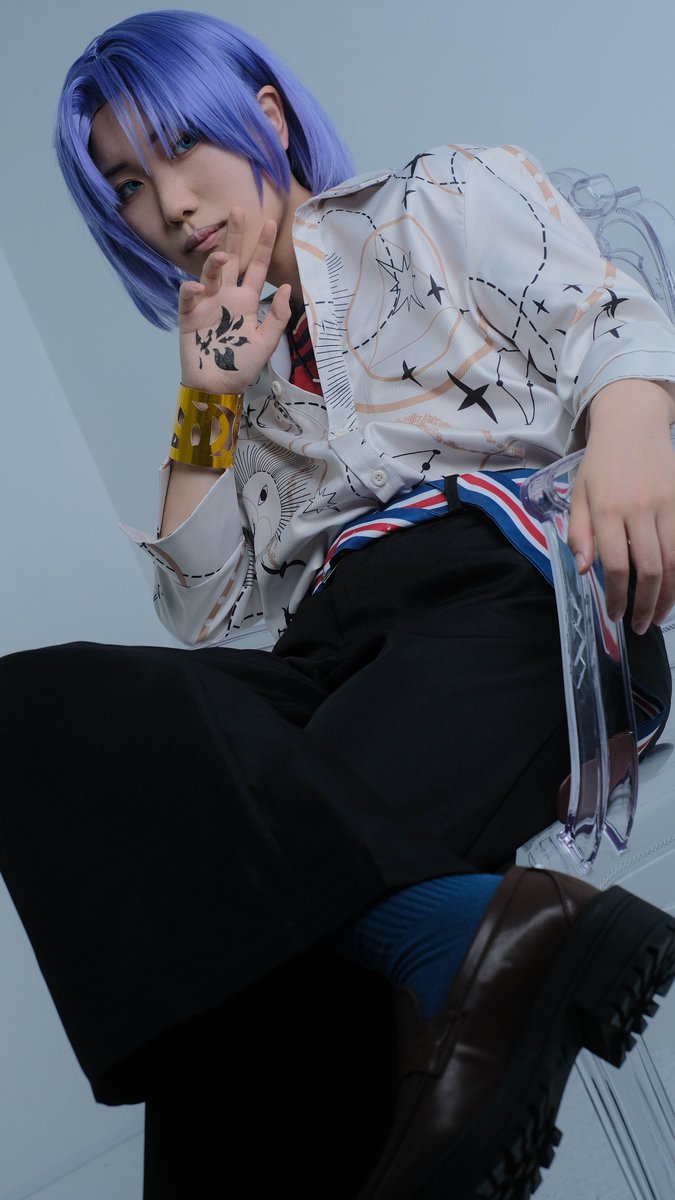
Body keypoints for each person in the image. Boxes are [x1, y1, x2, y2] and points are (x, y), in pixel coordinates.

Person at [1, 9, 675, 1198]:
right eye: (128, 186)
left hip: (510, 592)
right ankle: (476, 937)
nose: (171, 205)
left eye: (180, 147)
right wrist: (208, 402)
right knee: (35, 713)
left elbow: (610, 323)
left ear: (263, 117)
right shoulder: (236, 378)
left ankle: (478, 946)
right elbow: (203, 609)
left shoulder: (433, 199)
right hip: (332, 655)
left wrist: (631, 432)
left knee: (231, 946)